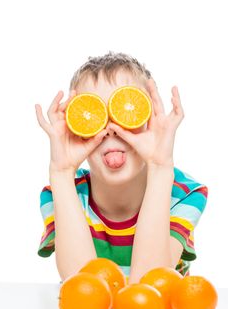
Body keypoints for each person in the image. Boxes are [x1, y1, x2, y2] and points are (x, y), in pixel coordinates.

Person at [35, 51, 208, 284]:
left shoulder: (183, 194)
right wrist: (61, 173)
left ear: (149, 116)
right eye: (94, 115)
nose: (111, 129)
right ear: (74, 127)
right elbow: (86, 290)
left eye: (126, 112)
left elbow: (148, 287)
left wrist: (159, 166)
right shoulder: (60, 193)